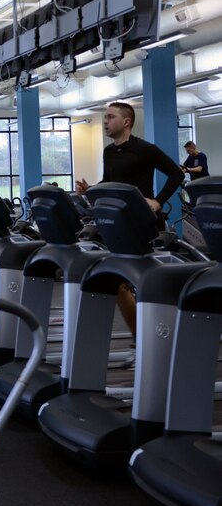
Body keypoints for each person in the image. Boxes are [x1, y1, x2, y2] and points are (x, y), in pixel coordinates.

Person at [74, 102, 184, 338]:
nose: (105, 121)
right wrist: (91, 188)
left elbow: (177, 173)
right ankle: (140, 337)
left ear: (126, 122)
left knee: (144, 283)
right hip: (118, 223)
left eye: (110, 117)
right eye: (105, 118)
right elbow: (109, 180)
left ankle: (163, 334)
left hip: (143, 223)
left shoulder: (145, 149)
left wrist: (158, 201)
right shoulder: (109, 151)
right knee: (118, 282)